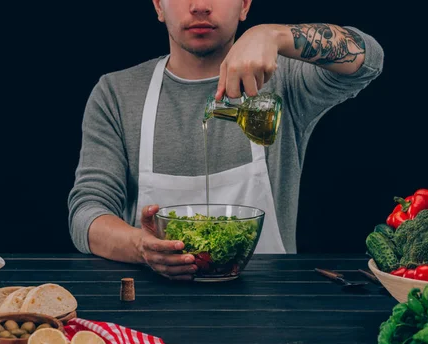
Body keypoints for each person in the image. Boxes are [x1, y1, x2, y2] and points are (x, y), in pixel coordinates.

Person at [68, 0, 384, 280]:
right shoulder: (117, 94)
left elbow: (368, 59)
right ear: (158, 6)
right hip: (150, 314)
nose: (200, 6)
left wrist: (272, 35)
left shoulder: (284, 80)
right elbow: (87, 214)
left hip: (270, 310)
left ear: (245, 5)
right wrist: (141, 247)